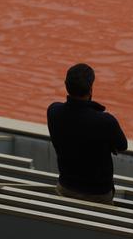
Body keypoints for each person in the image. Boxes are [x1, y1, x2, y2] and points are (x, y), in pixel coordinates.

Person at [47, 63, 127, 205]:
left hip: (66, 188)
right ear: (90, 89)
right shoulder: (105, 121)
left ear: (66, 86)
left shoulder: (53, 112)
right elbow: (122, 145)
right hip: (99, 195)